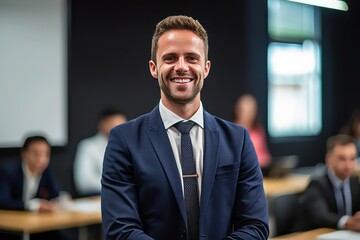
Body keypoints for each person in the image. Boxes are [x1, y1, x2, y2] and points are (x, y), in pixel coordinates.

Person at [101, 15, 269, 240]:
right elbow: (121, 230)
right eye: (170, 58)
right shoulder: (124, 140)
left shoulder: (237, 139)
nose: (181, 67)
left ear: (206, 68)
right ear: (154, 68)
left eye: (192, 58)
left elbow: (255, 226)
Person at [0, 135, 68, 240]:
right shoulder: (9, 172)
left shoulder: (47, 171)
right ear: (24, 153)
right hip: (12, 228)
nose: (42, 159)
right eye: (36, 154)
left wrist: (59, 200)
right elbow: (4, 201)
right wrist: (32, 205)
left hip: (37, 226)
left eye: (46, 154)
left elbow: (56, 194)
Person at [301, 134, 360, 231]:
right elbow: (320, 216)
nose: (348, 165)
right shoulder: (317, 184)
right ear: (329, 159)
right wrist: (347, 222)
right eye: (342, 159)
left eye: (352, 158)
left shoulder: (354, 183)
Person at [74, 108, 127, 197]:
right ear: (103, 124)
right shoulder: (88, 146)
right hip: (98, 198)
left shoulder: (128, 147)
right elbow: (84, 183)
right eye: (117, 124)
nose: (124, 129)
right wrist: (118, 186)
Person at [233, 94, 271, 168]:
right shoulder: (232, 131)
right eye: (245, 111)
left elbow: (266, 155)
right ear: (238, 110)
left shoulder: (258, 131)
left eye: (251, 111)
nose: (248, 114)